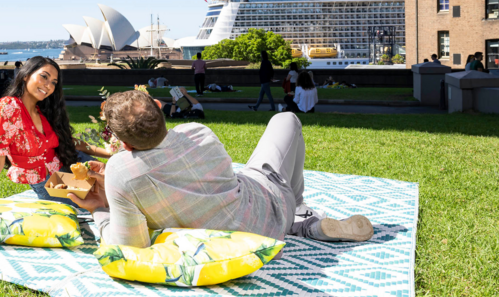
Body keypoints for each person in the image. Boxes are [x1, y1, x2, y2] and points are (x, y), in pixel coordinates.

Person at [69, 91, 374, 248]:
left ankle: (298, 219)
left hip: (237, 242)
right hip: (267, 207)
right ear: (159, 109)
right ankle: (299, 216)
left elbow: (129, 246)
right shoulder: (197, 132)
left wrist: (100, 207)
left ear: (122, 140)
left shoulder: (122, 173)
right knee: (286, 121)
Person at [0, 56, 111, 206]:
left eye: (53, 82)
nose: (48, 85)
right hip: (48, 182)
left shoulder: (44, 110)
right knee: (104, 201)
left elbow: (69, 143)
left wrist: (111, 154)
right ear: (26, 75)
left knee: (118, 190)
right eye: (44, 77)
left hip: (72, 163)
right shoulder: (8, 107)